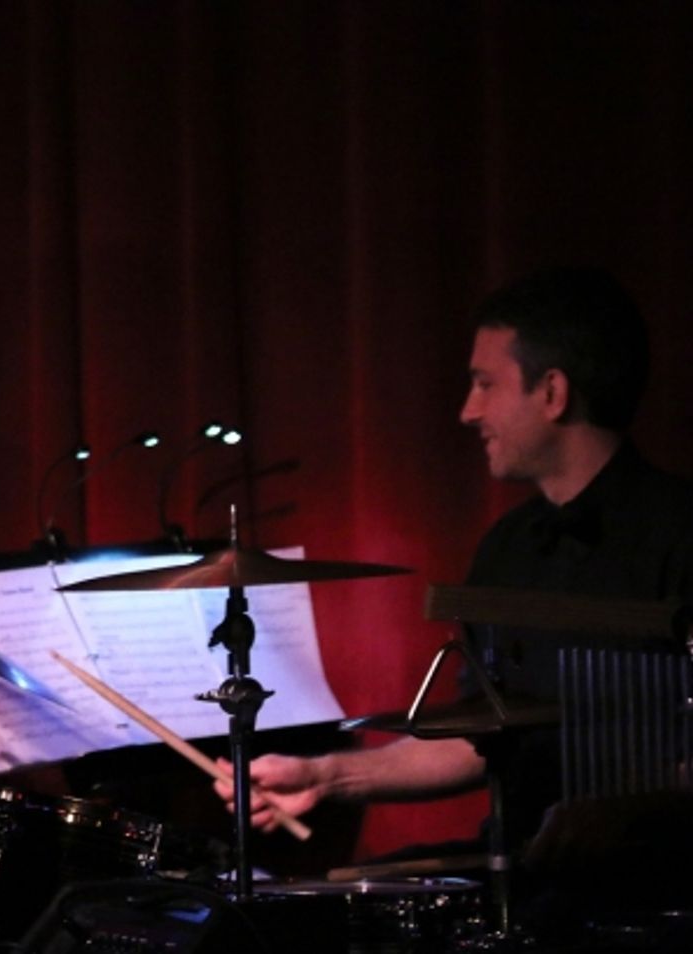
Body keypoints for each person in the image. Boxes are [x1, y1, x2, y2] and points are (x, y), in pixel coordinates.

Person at [215, 267, 693, 857]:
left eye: (485, 384)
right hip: (518, 875)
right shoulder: (507, 547)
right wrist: (325, 778)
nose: (468, 411)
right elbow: (477, 736)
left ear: (552, 392)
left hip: (652, 891)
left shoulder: (681, 535)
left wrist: (625, 816)